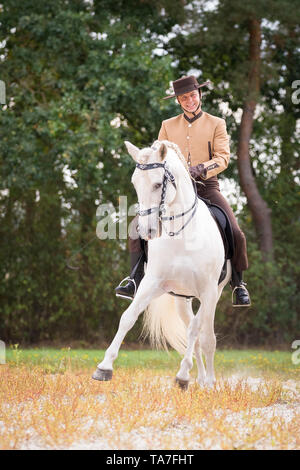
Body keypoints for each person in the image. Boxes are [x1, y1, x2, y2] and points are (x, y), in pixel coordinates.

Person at [115, 75, 251, 307]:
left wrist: (201, 168)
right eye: (184, 98)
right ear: (178, 100)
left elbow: (223, 158)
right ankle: (134, 278)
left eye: (192, 95)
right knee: (137, 226)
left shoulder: (216, 123)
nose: (189, 100)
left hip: (207, 186)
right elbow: (158, 157)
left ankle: (238, 283)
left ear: (199, 95)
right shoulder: (167, 126)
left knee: (235, 231)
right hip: (173, 189)